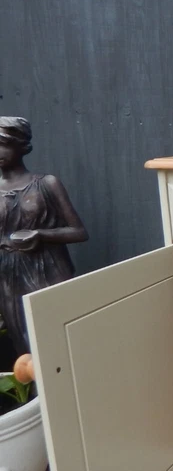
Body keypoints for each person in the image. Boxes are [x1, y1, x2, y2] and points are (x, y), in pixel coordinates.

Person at [0, 117, 88, 355]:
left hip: (50, 269)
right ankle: (39, 393)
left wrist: (41, 234)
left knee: (60, 341)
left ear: (21, 146)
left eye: (3, 144)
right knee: (25, 346)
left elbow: (79, 232)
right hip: (10, 275)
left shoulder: (47, 184)